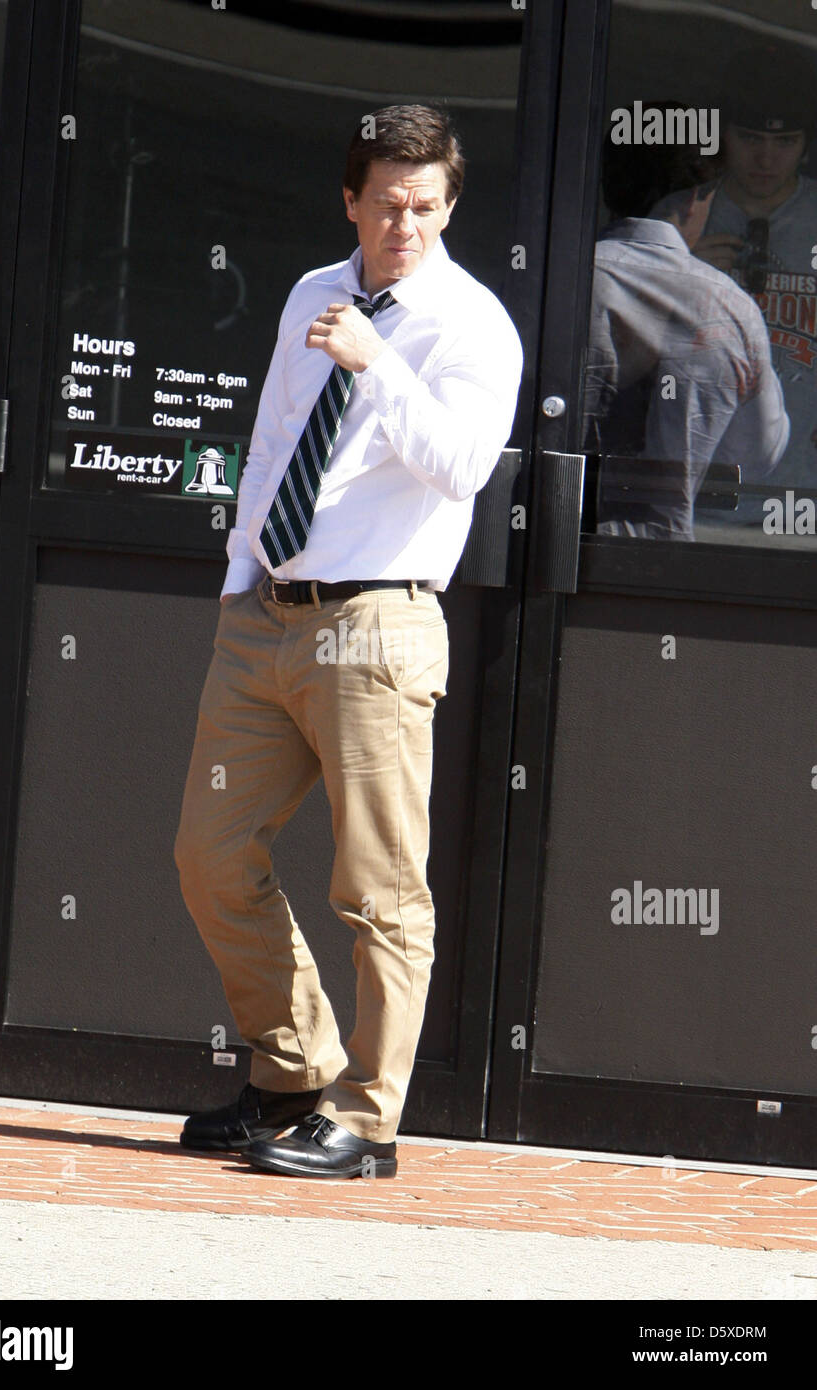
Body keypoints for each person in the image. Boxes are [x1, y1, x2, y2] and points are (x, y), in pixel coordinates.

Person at [173, 105, 522, 1179]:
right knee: (210, 856)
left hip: (377, 624)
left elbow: (462, 468)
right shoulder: (309, 294)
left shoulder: (470, 324)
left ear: (448, 207)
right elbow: (273, 438)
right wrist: (240, 579)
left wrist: (377, 364)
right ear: (350, 201)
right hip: (267, 615)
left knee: (377, 888)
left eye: (425, 206)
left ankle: (368, 1120)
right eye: (386, 203)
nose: (404, 225)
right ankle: (290, 1068)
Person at [585, 114, 788, 538]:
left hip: (545, 545)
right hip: (664, 558)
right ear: (696, 198)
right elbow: (757, 456)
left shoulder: (557, 279)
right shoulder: (731, 306)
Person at [648, 45, 817, 526]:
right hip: (694, 493)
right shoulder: (680, 216)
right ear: (723, 136)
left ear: (806, 145)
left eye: (785, 142)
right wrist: (684, 277)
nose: (766, 158)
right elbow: (622, 351)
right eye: (750, 138)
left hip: (804, 496)